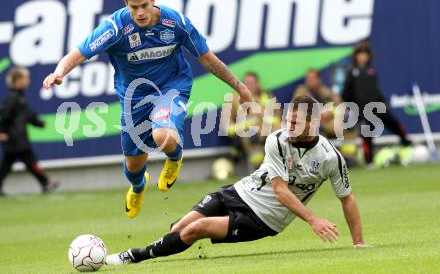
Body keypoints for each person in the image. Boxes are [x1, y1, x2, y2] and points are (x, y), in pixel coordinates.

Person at [42, 0, 252, 218]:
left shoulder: (176, 23)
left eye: (144, 5)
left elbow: (209, 60)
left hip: (171, 87)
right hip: (134, 97)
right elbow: (78, 54)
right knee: (133, 166)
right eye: (134, 7)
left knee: (161, 134)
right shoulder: (114, 28)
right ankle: (138, 186)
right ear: (126, 4)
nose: (140, 12)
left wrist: (241, 88)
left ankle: (175, 157)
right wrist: (59, 73)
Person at [105, 95, 369, 267]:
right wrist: (313, 219)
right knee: (180, 227)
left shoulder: (329, 157)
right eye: (289, 119)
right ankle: (155, 251)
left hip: (263, 218)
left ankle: (134, 256)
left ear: (313, 123)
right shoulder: (277, 139)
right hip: (238, 191)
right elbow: (280, 189)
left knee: (197, 229)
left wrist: (358, 243)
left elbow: (347, 198)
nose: (289, 125)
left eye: (296, 122)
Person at [342, 40, 411, 165]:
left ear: (369, 56)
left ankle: (407, 144)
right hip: (362, 110)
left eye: (365, 54)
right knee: (367, 135)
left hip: (377, 107)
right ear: (356, 56)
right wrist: (352, 108)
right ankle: (369, 162)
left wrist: (382, 102)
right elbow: (346, 93)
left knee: (394, 123)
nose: (363, 57)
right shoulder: (351, 72)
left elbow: (375, 91)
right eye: (360, 54)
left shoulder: (372, 71)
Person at [0, 67, 59, 196]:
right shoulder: (13, 98)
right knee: (30, 162)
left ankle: (46, 183)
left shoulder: (20, 97)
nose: (28, 80)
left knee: (7, 165)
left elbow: (26, 115)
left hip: (18, 137)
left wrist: (38, 123)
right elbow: (5, 115)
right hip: (15, 138)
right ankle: (46, 183)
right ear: (17, 80)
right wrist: (2, 131)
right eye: (26, 78)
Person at [226, 72, 281, 171]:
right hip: (245, 133)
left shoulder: (267, 97)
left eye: (252, 83)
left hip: (268, 131)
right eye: (247, 83)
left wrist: (264, 121)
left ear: (257, 84)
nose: (250, 86)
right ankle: (259, 168)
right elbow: (228, 127)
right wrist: (251, 122)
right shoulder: (233, 99)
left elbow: (278, 119)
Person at [293, 69, 342, 138]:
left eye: (312, 78)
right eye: (308, 78)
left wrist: (331, 112)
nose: (309, 81)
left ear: (319, 79)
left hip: (327, 123)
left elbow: (339, 105)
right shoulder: (301, 92)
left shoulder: (327, 91)